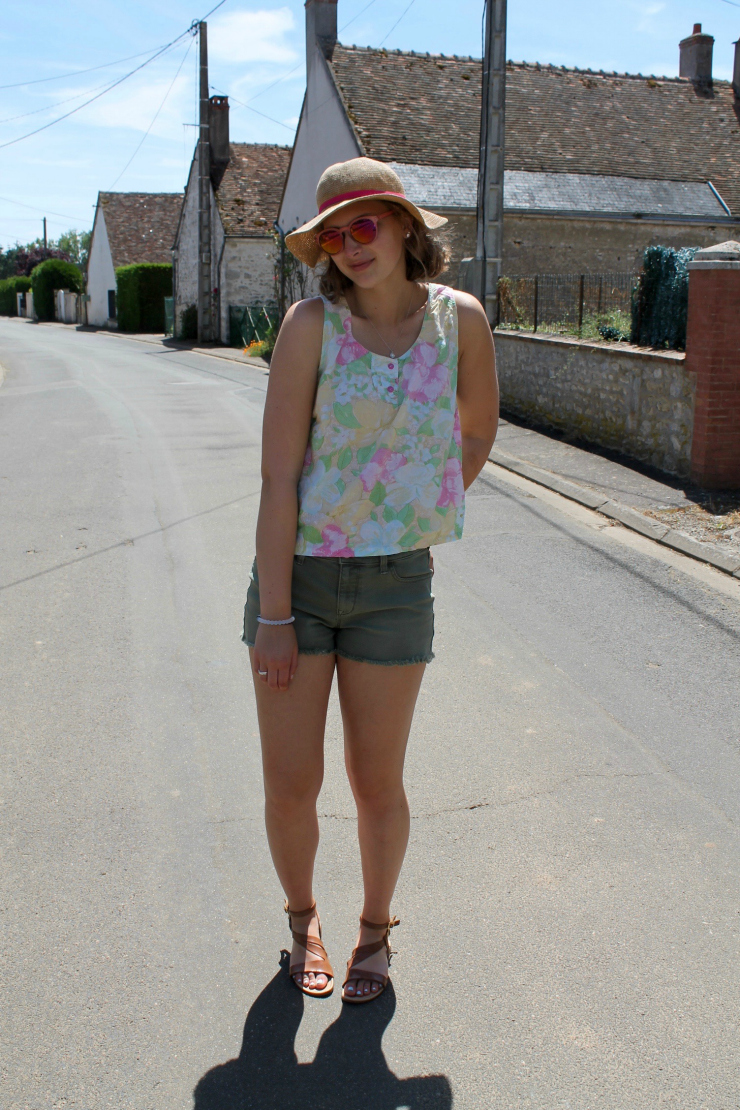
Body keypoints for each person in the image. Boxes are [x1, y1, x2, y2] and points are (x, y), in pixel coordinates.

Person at [243, 158, 498, 1003]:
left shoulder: (460, 321)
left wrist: (419, 502)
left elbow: (477, 430)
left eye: (366, 225)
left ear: (402, 225)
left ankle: (376, 934)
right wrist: (274, 615)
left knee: (376, 782)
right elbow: (280, 480)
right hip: (301, 583)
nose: (352, 246)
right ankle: (300, 919)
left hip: (396, 584)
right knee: (292, 783)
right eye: (335, 234)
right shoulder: (309, 325)